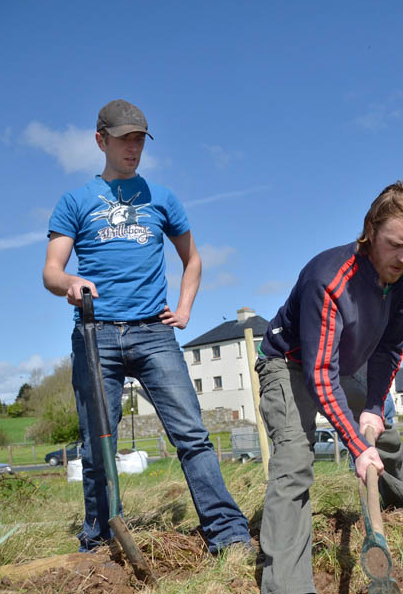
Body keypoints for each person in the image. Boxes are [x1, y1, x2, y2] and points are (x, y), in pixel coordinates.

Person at [42, 99, 251, 553]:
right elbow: (51, 272)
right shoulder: (75, 201)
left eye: (139, 139)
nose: (133, 148)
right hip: (96, 335)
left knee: (192, 436)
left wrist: (185, 308)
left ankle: (228, 534)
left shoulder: (163, 197)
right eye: (123, 139)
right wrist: (70, 283)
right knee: (98, 444)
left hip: (155, 333)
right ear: (101, 140)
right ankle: (98, 541)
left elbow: (192, 258)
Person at [256, 181, 403, 593]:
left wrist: (371, 406)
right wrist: (355, 445)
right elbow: (318, 372)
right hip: (290, 364)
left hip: (348, 366)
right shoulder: (328, 278)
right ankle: (287, 585)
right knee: (295, 464)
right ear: (370, 230)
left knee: (384, 438)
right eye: (396, 244)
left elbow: (389, 347)